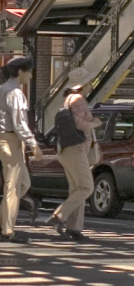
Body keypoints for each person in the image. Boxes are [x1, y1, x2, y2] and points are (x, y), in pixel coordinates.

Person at [0, 57, 43, 244]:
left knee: (21, 183)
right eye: (29, 71)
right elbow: (19, 123)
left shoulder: (1, 89)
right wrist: (33, 144)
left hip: (1, 138)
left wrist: (0, 122)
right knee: (13, 185)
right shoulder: (16, 93)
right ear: (20, 72)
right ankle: (8, 230)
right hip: (11, 140)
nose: (31, 75)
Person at [45, 68, 103, 241]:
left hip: (67, 149)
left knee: (76, 189)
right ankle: (59, 216)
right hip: (76, 150)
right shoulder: (78, 100)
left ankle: (74, 228)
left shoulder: (68, 99)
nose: (91, 85)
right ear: (83, 85)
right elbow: (79, 123)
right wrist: (95, 123)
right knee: (86, 187)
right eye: (89, 82)